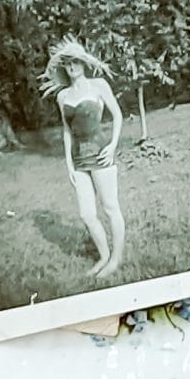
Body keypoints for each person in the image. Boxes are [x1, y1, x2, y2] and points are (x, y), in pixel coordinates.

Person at [42, 39, 126, 279]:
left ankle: (116, 259)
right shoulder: (62, 96)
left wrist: (112, 145)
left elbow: (118, 114)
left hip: (100, 154)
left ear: (83, 63)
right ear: (64, 68)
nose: (72, 67)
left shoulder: (99, 85)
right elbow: (67, 130)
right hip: (79, 160)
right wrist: (68, 163)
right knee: (86, 214)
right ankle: (103, 256)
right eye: (67, 63)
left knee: (110, 207)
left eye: (76, 61)